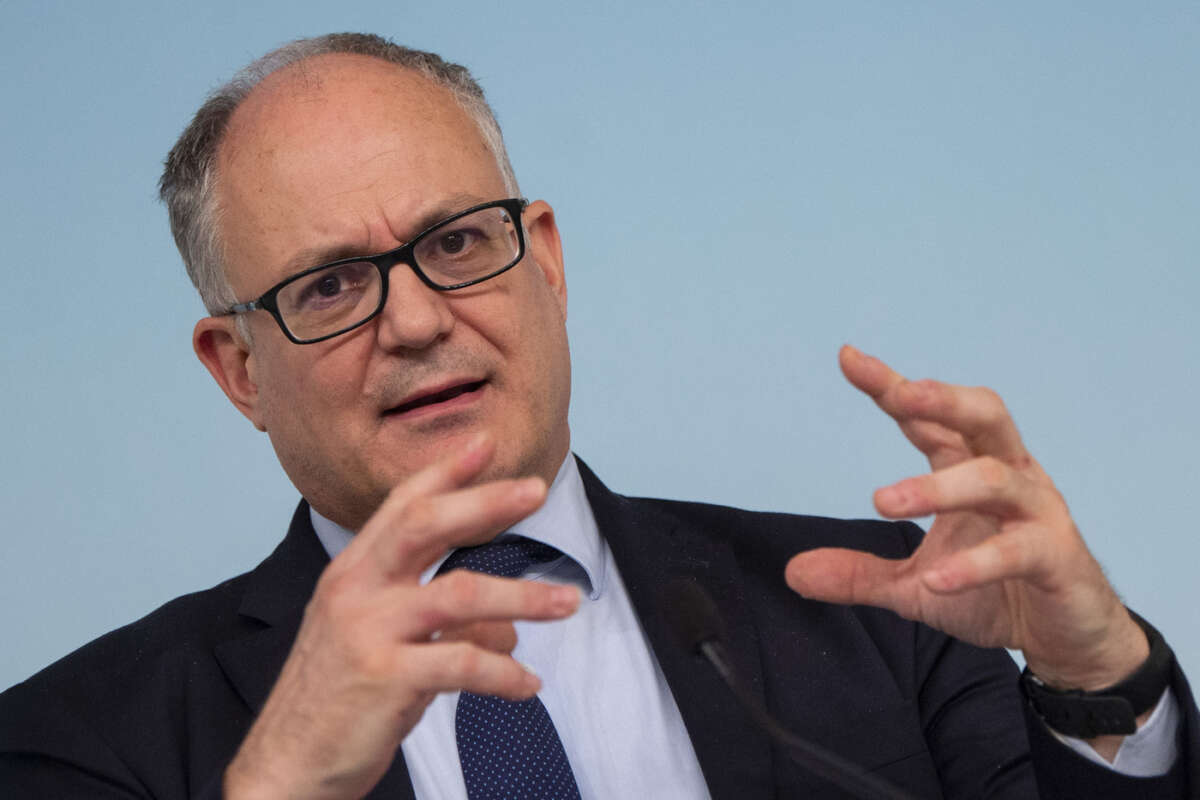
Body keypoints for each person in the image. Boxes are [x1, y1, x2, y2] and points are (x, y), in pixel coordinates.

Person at [0, 32, 1194, 799]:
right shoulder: (71, 737)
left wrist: (1095, 676)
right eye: (330, 286)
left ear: (548, 262)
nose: (415, 320)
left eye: (456, 243)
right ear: (239, 370)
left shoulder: (886, 614)